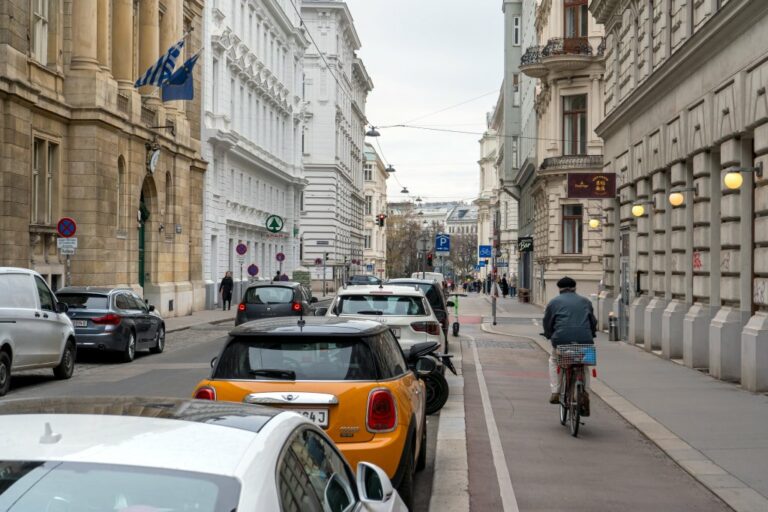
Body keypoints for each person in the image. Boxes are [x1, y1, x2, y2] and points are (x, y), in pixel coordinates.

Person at [542, 276, 596, 414]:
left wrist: (549, 334)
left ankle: (555, 391)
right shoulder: (586, 301)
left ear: (559, 289)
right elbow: (592, 321)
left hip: (561, 340)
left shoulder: (554, 302)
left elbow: (548, 322)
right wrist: (592, 334)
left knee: (554, 360)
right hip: (585, 340)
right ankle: (585, 395)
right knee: (584, 366)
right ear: (575, 288)